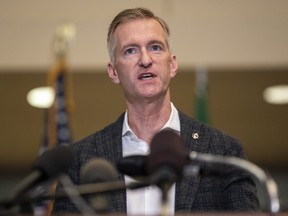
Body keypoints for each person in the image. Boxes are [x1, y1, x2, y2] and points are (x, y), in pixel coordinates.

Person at [52, 7, 260, 215]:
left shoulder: (223, 152)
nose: (145, 60)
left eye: (155, 47)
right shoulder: (80, 161)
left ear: (172, 64)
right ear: (113, 71)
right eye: (130, 50)